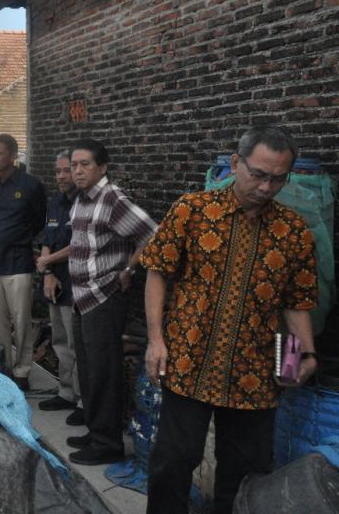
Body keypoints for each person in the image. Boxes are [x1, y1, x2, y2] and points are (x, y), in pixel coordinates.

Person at [140, 126, 318, 514]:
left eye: (278, 179)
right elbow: (157, 272)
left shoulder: (294, 231)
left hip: (254, 373)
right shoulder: (192, 210)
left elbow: (297, 299)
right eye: (258, 174)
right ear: (236, 163)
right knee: (173, 462)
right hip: (188, 362)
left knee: (245, 472)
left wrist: (306, 353)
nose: (267, 187)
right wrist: (156, 340)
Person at [67, 138, 157, 466]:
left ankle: (107, 445)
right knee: (90, 371)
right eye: (74, 165)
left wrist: (130, 268)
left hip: (103, 297)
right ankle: (95, 432)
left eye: (85, 165)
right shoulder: (81, 200)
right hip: (82, 297)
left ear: (102, 167)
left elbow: (153, 234)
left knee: (104, 373)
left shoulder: (112, 199)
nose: (78, 171)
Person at [0, 134, 46, 391]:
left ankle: (22, 371)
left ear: (13, 155)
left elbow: (39, 221)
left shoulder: (30, 186)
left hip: (18, 263)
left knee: (21, 320)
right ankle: (3, 368)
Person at [35, 151, 80, 415]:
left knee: (77, 343)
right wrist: (47, 271)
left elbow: (79, 244)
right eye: (58, 171)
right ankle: (66, 392)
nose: (62, 176)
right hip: (56, 281)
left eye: (67, 170)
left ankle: (83, 400)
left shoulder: (86, 203)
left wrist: (46, 261)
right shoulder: (55, 203)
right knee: (60, 340)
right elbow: (47, 238)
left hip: (78, 282)